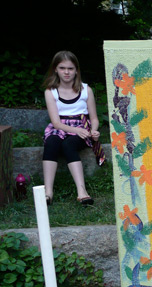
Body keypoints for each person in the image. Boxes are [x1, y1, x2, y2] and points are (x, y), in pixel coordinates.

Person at [42, 51, 100, 206]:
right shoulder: (50, 91)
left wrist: (93, 130)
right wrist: (76, 131)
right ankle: (48, 192)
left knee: (69, 145)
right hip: (60, 127)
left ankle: (82, 192)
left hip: (81, 127)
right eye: (62, 68)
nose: (66, 72)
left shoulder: (86, 90)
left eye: (70, 68)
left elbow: (94, 118)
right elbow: (56, 123)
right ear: (55, 69)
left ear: (76, 70)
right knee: (52, 142)